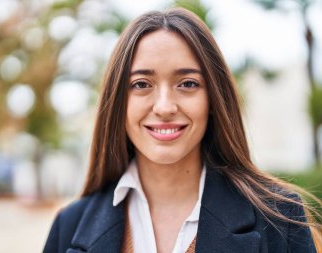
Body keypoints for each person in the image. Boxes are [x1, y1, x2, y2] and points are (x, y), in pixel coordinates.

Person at [43, 8, 321, 253]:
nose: (164, 107)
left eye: (187, 84)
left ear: (213, 99)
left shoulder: (279, 219)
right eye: (141, 84)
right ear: (118, 103)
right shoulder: (68, 227)